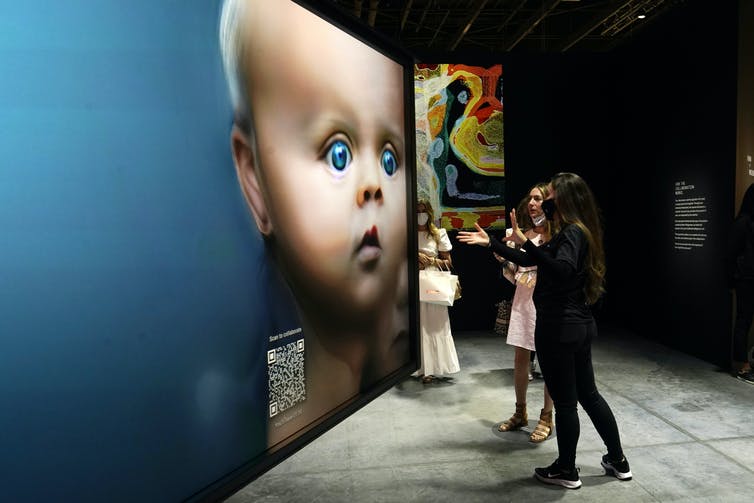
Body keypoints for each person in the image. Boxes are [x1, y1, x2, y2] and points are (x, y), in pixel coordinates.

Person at [219, 0, 410, 446]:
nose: (372, 185)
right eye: (337, 152)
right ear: (255, 182)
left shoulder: (393, 330)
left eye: (389, 158)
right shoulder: (278, 351)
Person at [458, 172, 631, 489]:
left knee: (567, 403)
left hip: (559, 327)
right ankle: (618, 461)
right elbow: (532, 260)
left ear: (562, 199)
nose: (544, 201)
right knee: (589, 396)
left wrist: (527, 244)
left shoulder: (571, 235)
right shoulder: (573, 232)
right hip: (576, 325)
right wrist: (494, 243)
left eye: (549, 195)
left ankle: (566, 469)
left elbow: (560, 270)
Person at [490, 184, 554, 443]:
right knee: (520, 359)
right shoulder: (522, 234)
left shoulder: (555, 236)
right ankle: (520, 412)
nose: (532, 202)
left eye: (538, 198)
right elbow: (516, 274)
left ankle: (547, 416)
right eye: (530, 198)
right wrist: (503, 256)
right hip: (524, 301)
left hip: (546, 302)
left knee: (549, 361)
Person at [415, 198, 460, 383]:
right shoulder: (406, 234)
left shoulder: (437, 234)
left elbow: (449, 262)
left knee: (435, 323)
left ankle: (434, 367)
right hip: (413, 282)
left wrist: (431, 260)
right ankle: (421, 368)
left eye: (423, 211)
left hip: (433, 282)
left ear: (429, 213)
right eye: (417, 211)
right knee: (418, 324)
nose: (420, 215)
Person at [725, 182, 754, 384]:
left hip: (750, 278)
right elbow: (730, 255)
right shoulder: (742, 223)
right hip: (746, 280)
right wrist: (731, 281)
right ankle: (743, 366)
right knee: (744, 321)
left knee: (745, 320)